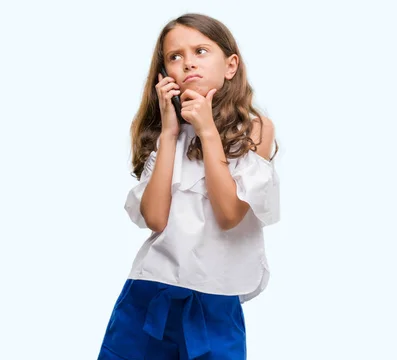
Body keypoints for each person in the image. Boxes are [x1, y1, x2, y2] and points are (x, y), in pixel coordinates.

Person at [98, 13, 280, 360]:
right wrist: (169, 132)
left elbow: (229, 215)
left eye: (200, 51)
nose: (188, 63)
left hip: (215, 299)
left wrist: (207, 130)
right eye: (175, 57)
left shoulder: (254, 129)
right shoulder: (166, 135)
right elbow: (155, 219)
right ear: (165, 74)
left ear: (230, 65)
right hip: (150, 292)